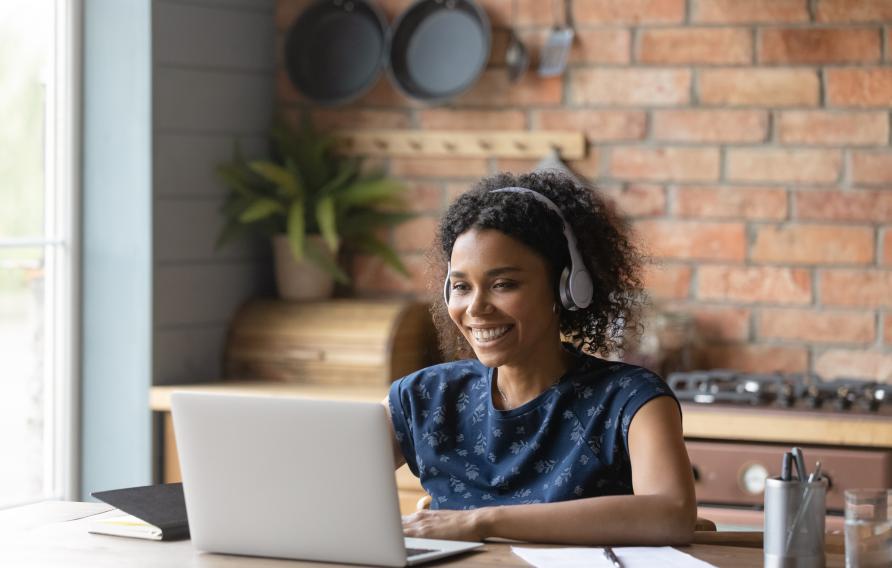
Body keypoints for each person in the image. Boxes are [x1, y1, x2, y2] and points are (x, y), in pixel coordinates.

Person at [381, 171, 696, 546]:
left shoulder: (632, 399)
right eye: (462, 287)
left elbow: (671, 514)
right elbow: (320, 486)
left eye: (503, 285)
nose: (476, 307)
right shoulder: (423, 396)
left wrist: (480, 522)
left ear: (566, 289)